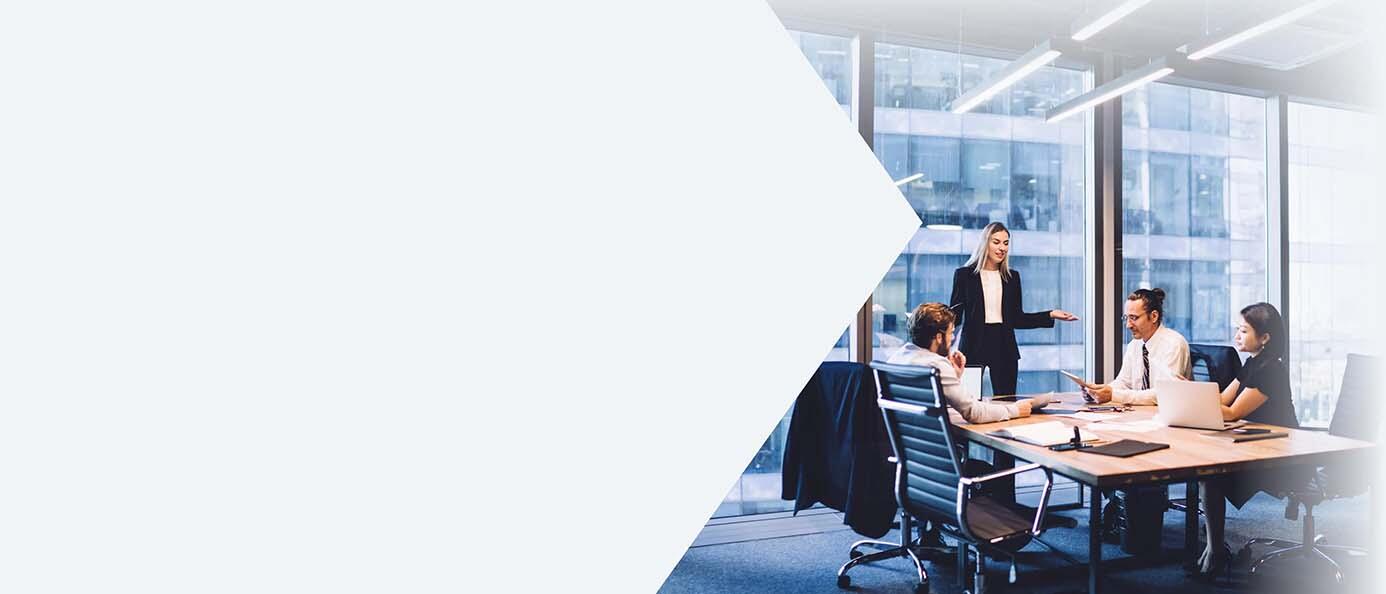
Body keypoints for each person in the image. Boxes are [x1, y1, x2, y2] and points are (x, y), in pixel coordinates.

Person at [1192, 303, 1301, 580]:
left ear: (1265, 338)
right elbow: (1223, 400)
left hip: (1282, 456)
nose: (1236, 336)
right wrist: (1187, 394)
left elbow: (1233, 412)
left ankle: (1215, 552)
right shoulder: (1253, 362)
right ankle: (1214, 549)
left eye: (1243, 330)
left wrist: (1189, 401)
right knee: (1208, 475)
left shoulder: (1271, 370)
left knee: (1212, 477)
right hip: (1260, 445)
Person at [950, 222, 1078, 397]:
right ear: (985, 243)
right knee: (968, 399)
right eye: (996, 242)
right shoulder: (964, 275)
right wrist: (932, 323)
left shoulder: (1012, 277)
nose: (1002, 247)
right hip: (972, 345)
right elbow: (955, 316)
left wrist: (1050, 314)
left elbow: (1017, 319)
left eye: (1006, 243)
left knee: (1006, 400)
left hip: (1003, 344)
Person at [885, 302, 1051, 424]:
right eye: (951, 333)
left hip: (914, 460)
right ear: (938, 337)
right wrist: (1015, 409)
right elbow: (974, 413)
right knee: (991, 470)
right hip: (945, 466)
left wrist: (955, 377)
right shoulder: (937, 366)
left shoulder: (896, 358)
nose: (954, 338)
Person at [1084, 288, 1191, 405]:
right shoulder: (1135, 345)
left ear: (1154, 316)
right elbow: (1124, 382)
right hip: (1142, 414)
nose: (1128, 325)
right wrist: (1098, 392)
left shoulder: (1173, 344)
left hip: (1170, 416)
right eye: (1126, 318)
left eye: (1134, 318)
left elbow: (1164, 394)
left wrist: (1113, 395)